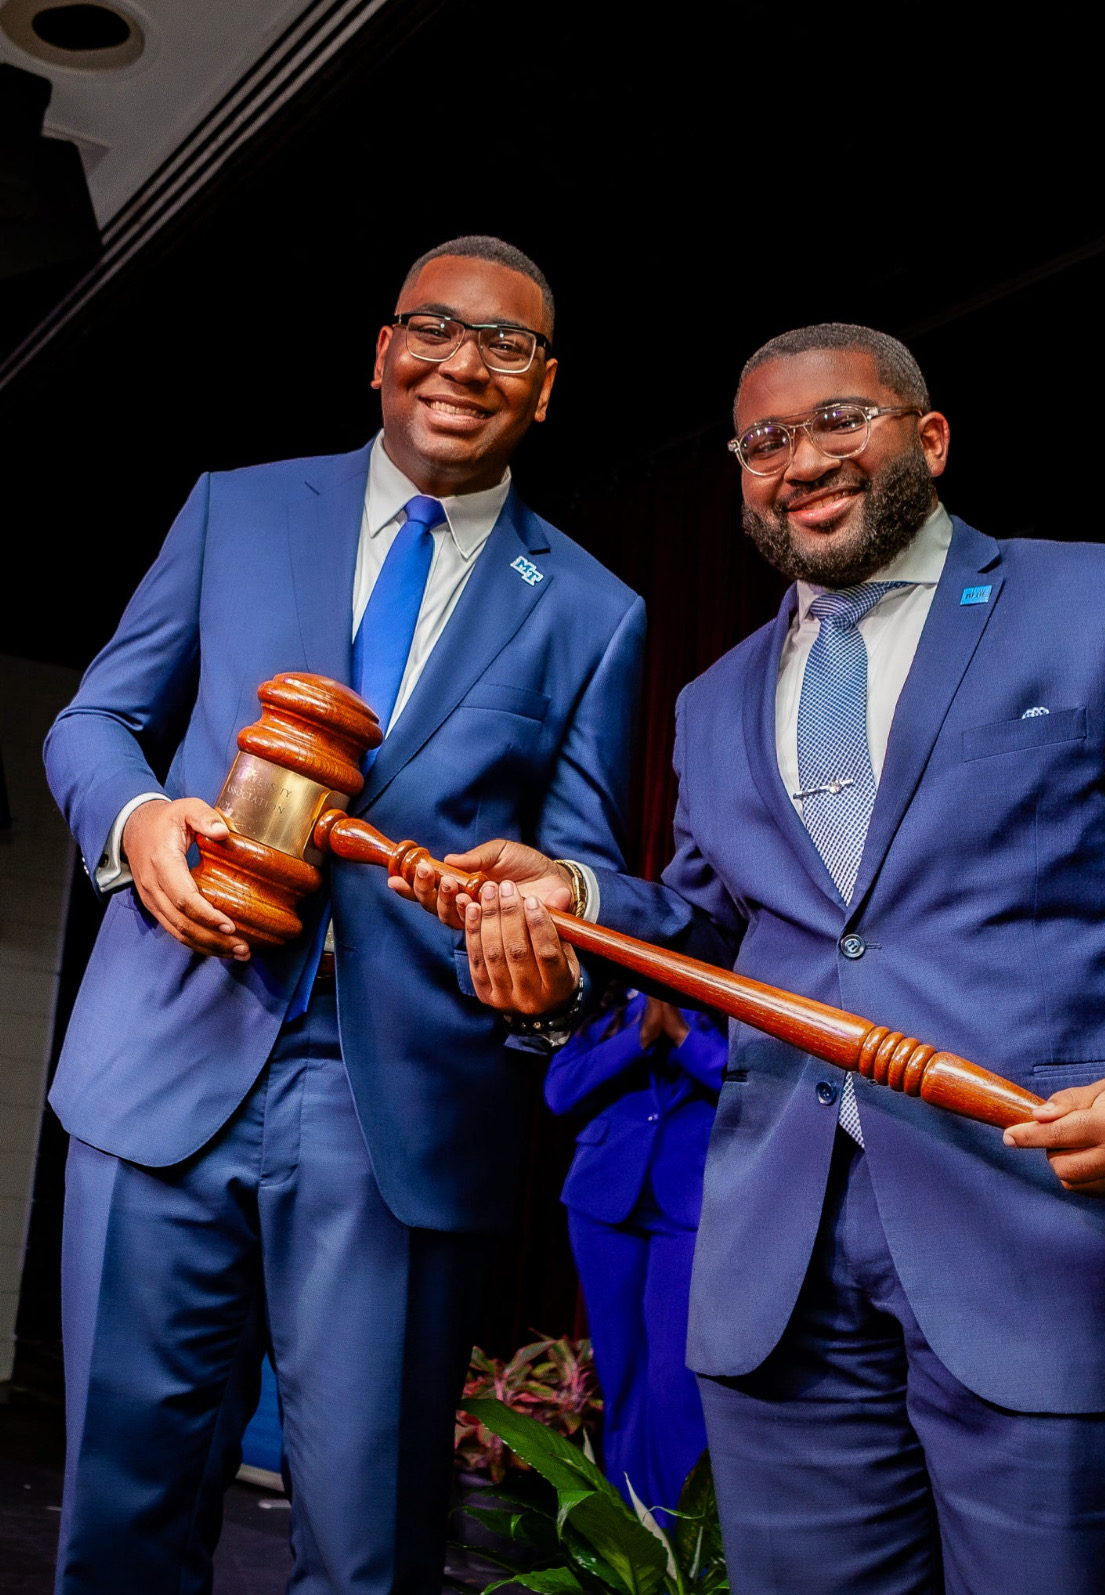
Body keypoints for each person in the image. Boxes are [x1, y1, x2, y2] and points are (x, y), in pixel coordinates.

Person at [397, 323, 1105, 1593]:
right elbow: (715, 925)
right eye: (764, 440)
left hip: (1052, 1245)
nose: (798, 457)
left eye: (837, 422)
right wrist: (577, 896)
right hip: (782, 1271)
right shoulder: (717, 694)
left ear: (927, 437)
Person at [43, 235, 645, 1593]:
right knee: (116, 1515)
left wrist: (540, 964)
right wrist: (141, 828)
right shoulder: (234, 508)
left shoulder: (595, 609)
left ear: (545, 390)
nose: (464, 362)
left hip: (397, 1109)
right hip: (161, 1059)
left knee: (368, 1545)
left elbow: (583, 866)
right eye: (435, 327)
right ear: (382, 352)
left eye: (508, 344)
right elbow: (98, 720)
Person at [544, 988, 725, 1517]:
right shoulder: (603, 1005)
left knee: (677, 1386)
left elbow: (751, 1085)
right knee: (622, 1378)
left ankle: (681, 1551)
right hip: (603, 1203)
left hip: (691, 1203)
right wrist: (639, 1036)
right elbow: (559, 1091)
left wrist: (682, 1037)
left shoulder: (724, 1001)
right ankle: (630, 1545)